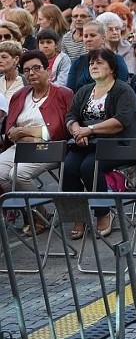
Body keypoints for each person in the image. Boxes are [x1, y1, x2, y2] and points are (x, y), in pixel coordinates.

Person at [62, 48, 136, 239]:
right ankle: (78, 216)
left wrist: (90, 130)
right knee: (68, 167)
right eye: (91, 63)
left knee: (89, 167)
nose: (94, 66)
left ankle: (103, 212)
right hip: (87, 142)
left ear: (112, 68)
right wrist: (76, 130)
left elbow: (121, 121)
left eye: (99, 63)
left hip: (118, 144)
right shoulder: (85, 90)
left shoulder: (122, 90)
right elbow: (71, 115)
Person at [0, 50, 72, 232]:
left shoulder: (63, 93)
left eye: (36, 68)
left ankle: (37, 217)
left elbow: (60, 130)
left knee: (18, 174)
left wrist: (26, 131)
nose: (31, 73)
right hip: (20, 147)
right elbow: (10, 127)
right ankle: (34, 213)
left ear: (47, 70)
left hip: (49, 148)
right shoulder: (21, 94)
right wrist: (18, 133)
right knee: (1, 174)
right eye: (26, 70)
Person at [66, 20, 129, 91]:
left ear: (103, 38)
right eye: (85, 36)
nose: (88, 39)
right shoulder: (78, 62)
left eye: (93, 35)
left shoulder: (116, 59)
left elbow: (121, 87)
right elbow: (70, 90)